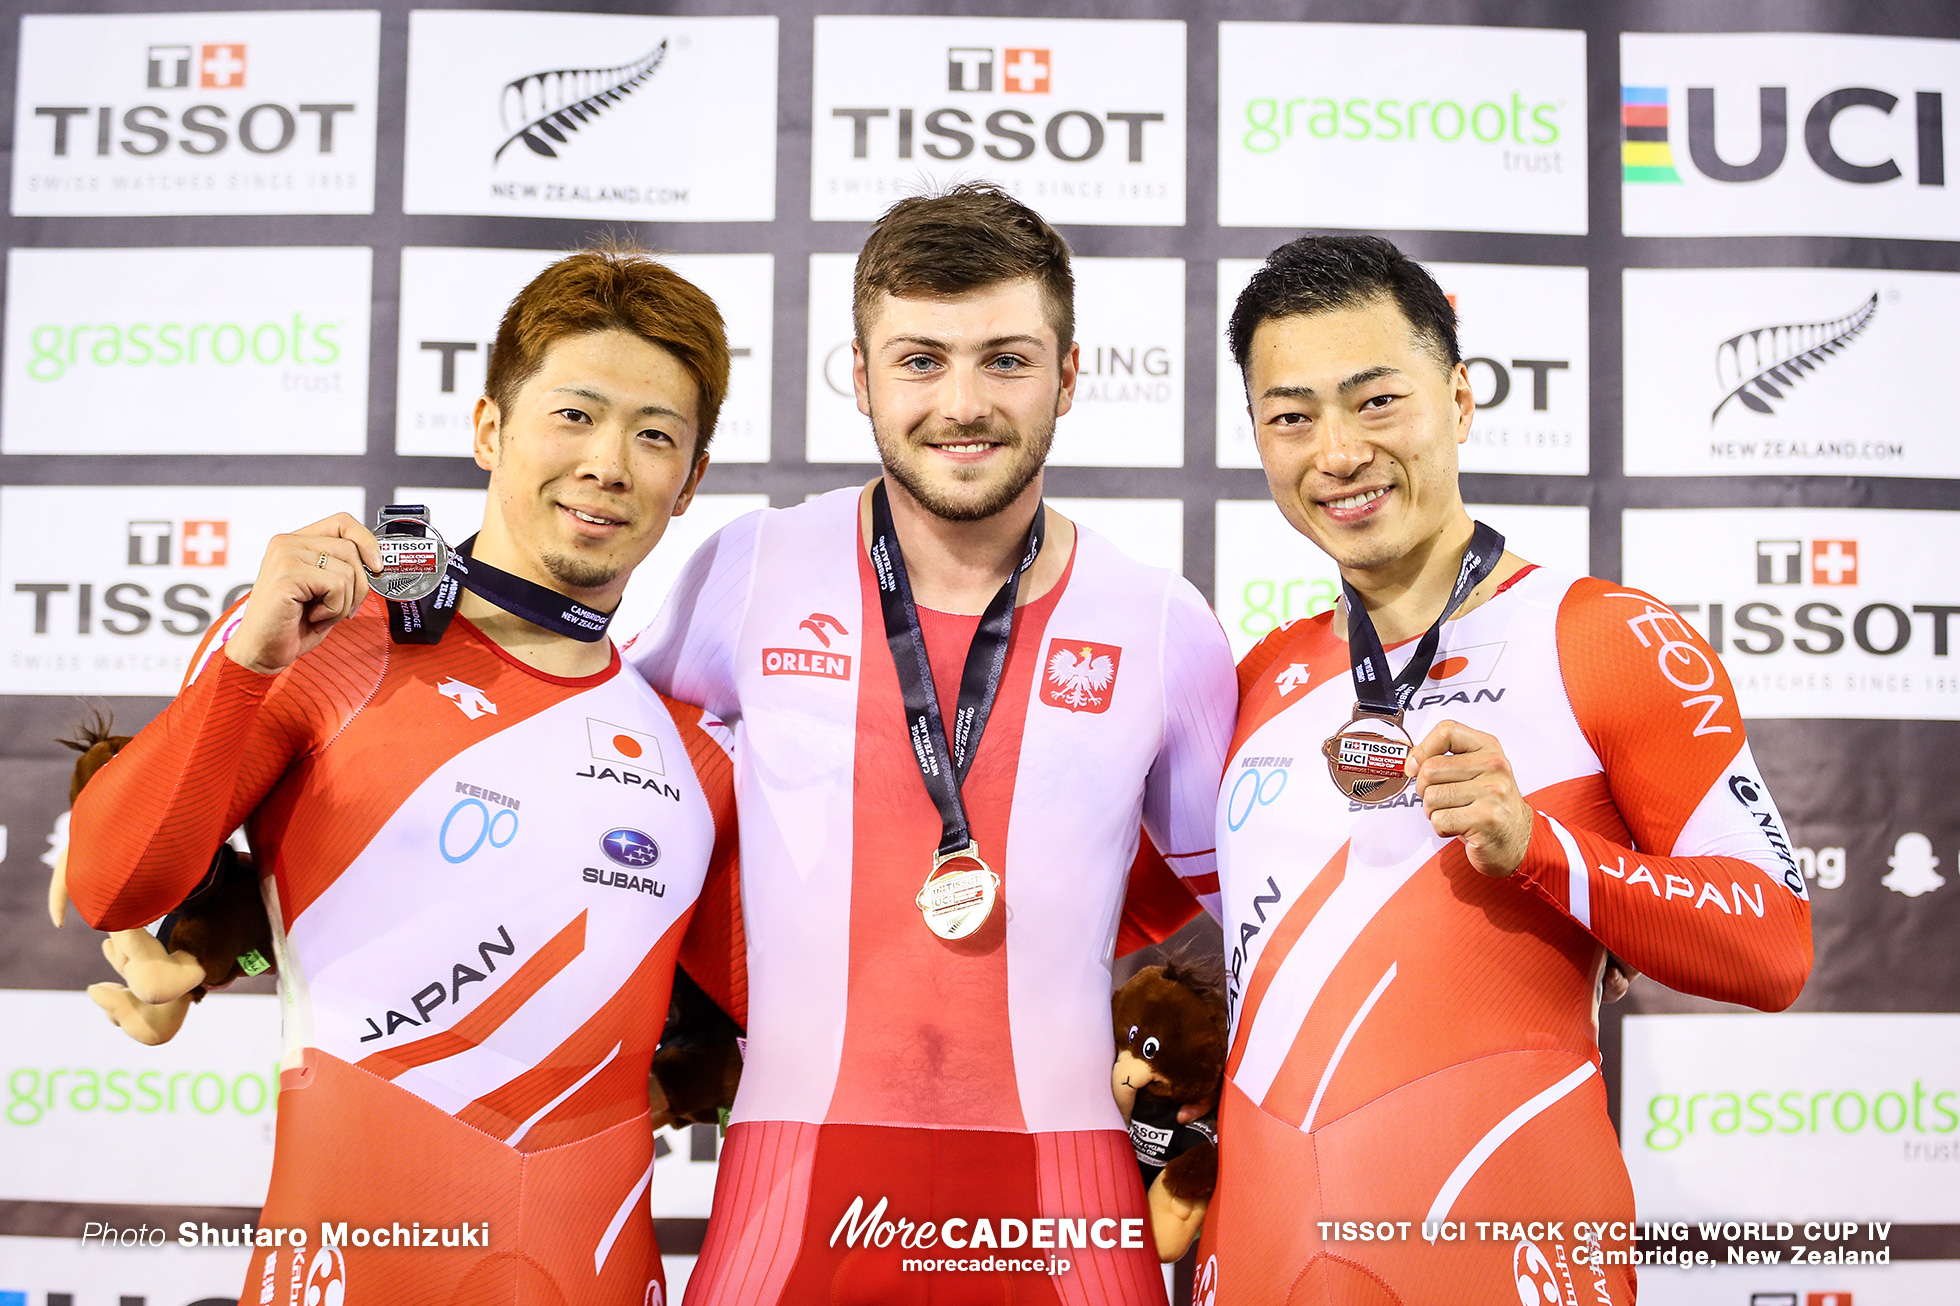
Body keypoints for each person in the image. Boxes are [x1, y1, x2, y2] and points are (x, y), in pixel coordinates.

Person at [64, 248, 741, 1306]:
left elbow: (786, 1019)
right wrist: (247, 665)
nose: (609, 462)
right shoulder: (326, 645)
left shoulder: (699, 749)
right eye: (574, 414)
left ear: (689, 480)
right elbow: (116, 885)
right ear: (488, 431)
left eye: (654, 435)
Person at [627, 183, 1237, 1304]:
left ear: (1069, 372)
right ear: (859, 379)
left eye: (1005, 358)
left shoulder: (1161, 622)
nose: (962, 403)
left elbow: (1237, 923)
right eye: (919, 360)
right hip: (796, 1180)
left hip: (1066, 1193)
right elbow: (606, 783)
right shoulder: (748, 568)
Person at [1194, 235, 1813, 1304]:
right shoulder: (1258, 676)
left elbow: (1771, 941)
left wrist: (1546, 850)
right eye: (1290, 416)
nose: (1335, 452)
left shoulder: (1604, 637)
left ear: (1462, 397)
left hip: (1508, 1238)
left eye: (1375, 400)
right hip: (1256, 1250)